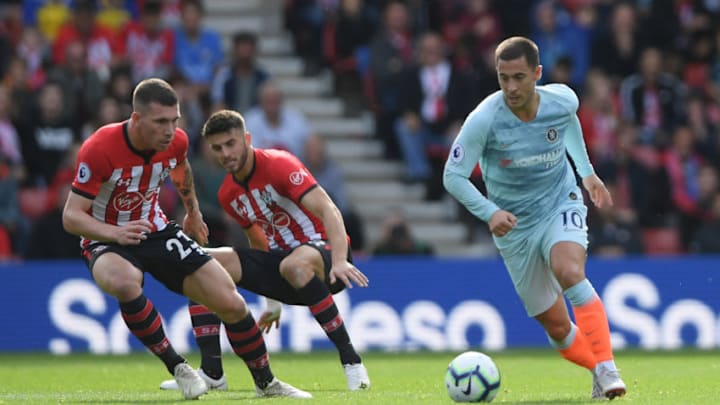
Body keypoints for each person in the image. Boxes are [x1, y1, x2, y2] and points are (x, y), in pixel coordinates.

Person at [62, 78, 311, 400]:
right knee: (124, 283)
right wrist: (114, 233)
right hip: (106, 236)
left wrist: (192, 211)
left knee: (231, 302)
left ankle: (267, 383)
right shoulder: (100, 147)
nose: (170, 129)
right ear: (137, 119)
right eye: (161, 122)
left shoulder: (176, 142)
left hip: (157, 229)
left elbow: (181, 169)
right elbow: (71, 216)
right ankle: (178, 367)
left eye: (174, 120)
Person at [442, 37, 626, 400]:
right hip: (514, 227)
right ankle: (595, 369)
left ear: (537, 74)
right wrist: (489, 211)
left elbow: (567, 120)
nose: (511, 87)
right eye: (503, 77)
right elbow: (453, 175)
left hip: (560, 201)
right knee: (557, 326)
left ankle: (607, 367)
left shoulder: (562, 99)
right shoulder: (485, 119)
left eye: (519, 77)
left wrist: (586, 173)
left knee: (570, 270)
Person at [158, 109, 371, 392]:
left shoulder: (280, 164)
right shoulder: (228, 194)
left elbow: (328, 209)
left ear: (247, 139)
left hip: (326, 255)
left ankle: (352, 361)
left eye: (231, 144)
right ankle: (211, 373)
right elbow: (258, 244)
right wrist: (272, 302)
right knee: (200, 263)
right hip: (284, 266)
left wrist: (341, 260)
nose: (225, 153)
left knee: (293, 264)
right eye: (217, 148)